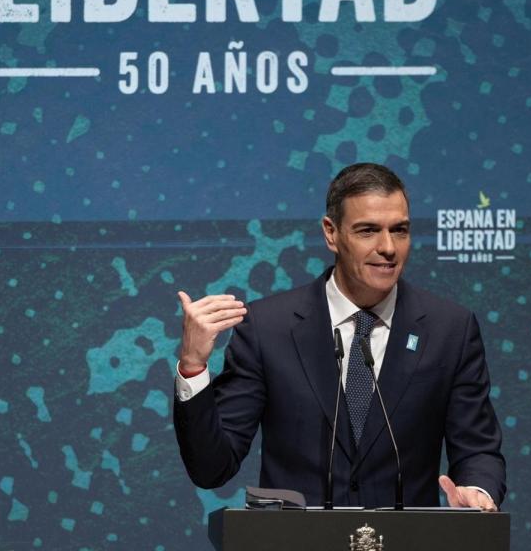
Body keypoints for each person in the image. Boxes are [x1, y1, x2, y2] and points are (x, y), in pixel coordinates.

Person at [172, 162, 505, 510]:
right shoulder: (268, 328)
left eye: (400, 230)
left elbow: (477, 447)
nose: (388, 247)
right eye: (368, 231)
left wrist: (478, 491)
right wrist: (193, 367)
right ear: (331, 233)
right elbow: (212, 468)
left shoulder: (449, 329)